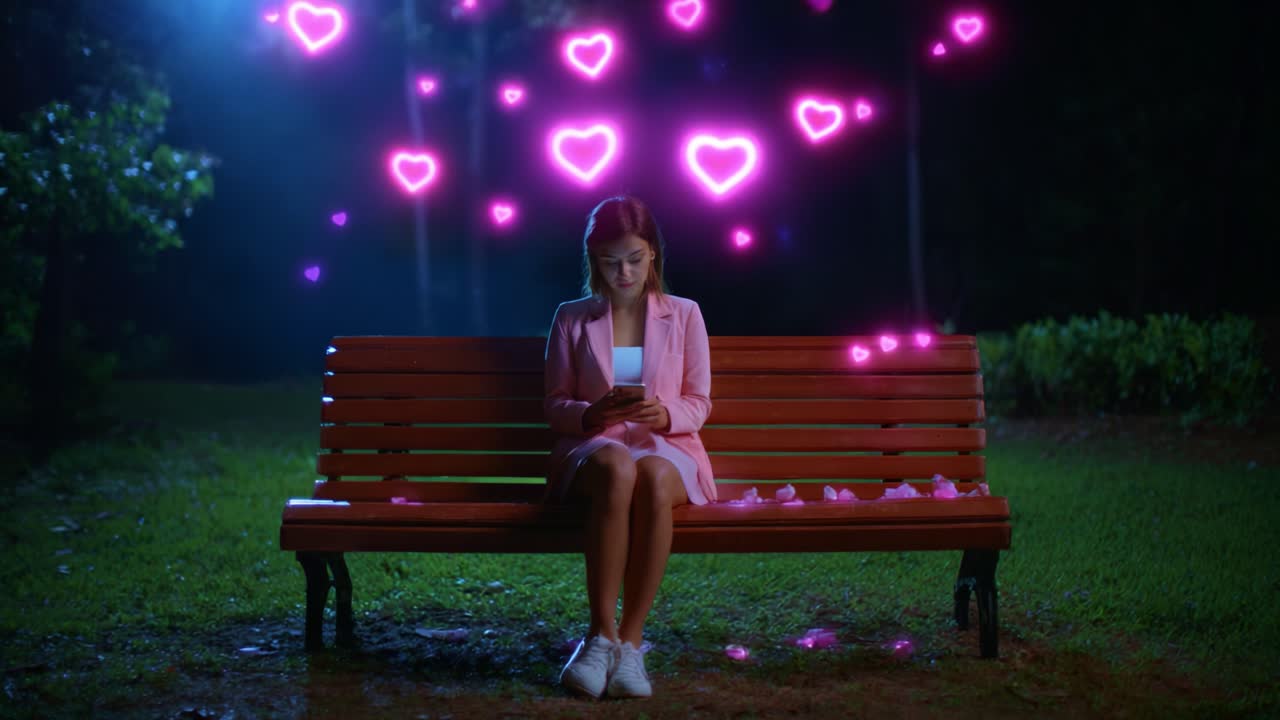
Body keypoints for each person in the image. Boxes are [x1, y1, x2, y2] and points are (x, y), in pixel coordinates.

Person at [543, 195, 716, 700]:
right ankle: (600, 636)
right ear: (594, 261)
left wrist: (665, 414)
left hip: (666, 447)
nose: (624, 273)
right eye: (610, 261)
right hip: (595, 449)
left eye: (635, 260)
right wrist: (588, 414)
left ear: (653, 255)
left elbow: (699, 400)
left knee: (654, 475)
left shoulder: (683, 314)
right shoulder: (572, 317)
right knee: (620, 467)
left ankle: (632, 643)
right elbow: (555, 404)